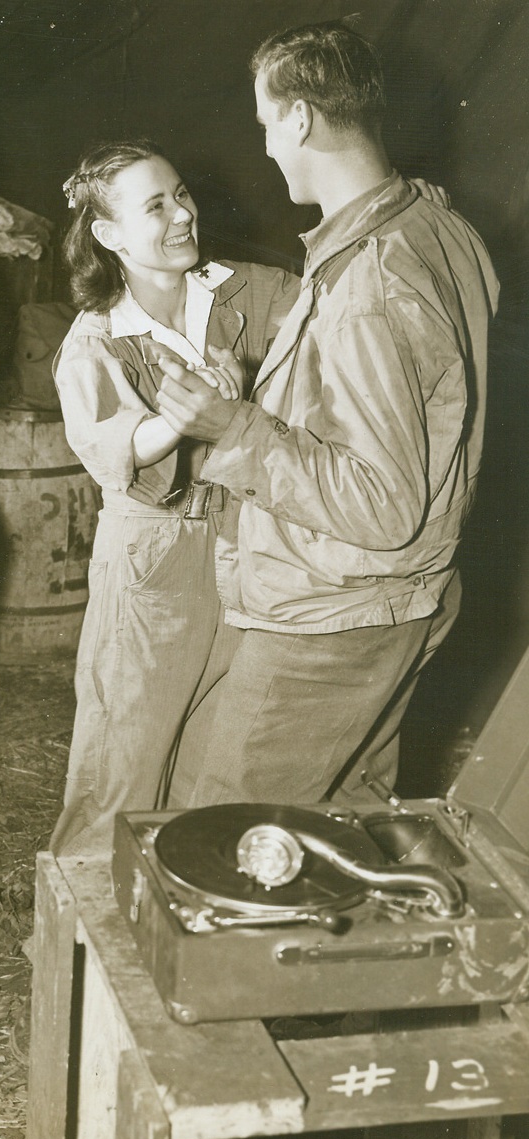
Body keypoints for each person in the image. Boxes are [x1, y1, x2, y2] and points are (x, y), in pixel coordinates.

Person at [155, 20, 499, 809]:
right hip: (404, 600)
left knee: (223, 842)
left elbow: (382, 501)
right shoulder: (437, 227)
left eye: (268, 124)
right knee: (342, 833)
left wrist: (231, 427)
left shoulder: (369, 284)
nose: (270, 148)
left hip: (336, 620)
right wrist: (265, 393)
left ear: (302, 118)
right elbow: (430, 404)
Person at [48, 139, 300, 857]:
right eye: (154, 205)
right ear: (109, 235)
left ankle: (173, 923)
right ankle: (79, 943)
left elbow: (337, 318)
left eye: (181, 193)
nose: (182, 214)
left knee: (218, 758)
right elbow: (110, 450)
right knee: (121, 763)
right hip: (155, 561)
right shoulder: (96, 339)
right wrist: (183, 415)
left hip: (255, 546)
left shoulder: (255, 289)